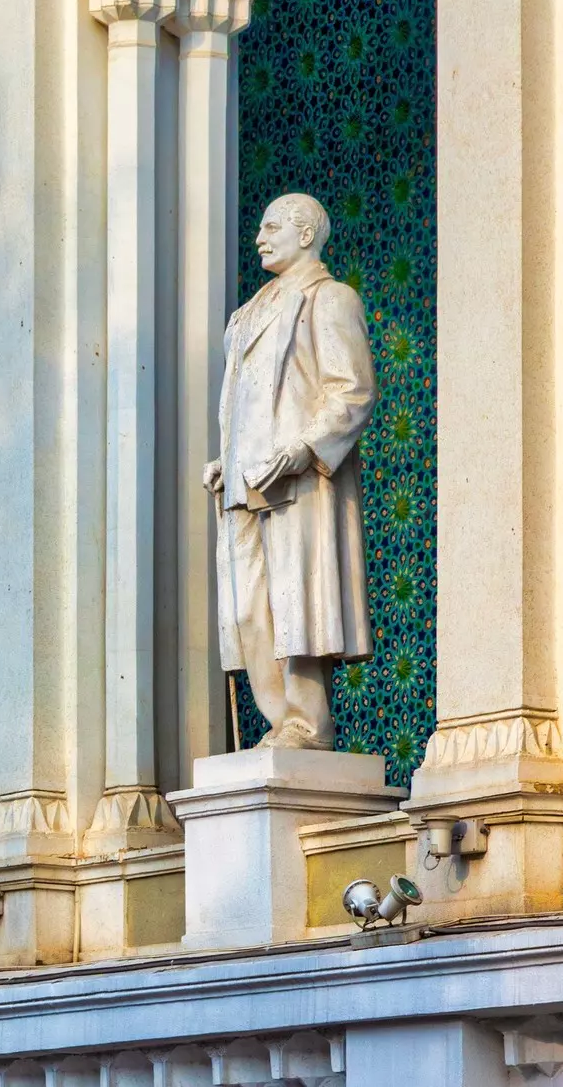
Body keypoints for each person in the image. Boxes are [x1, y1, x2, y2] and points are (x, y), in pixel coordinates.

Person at [203, 193, 376, 750]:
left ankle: (307, 721)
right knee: (250, 610)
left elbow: (351, 389)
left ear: (306, 234)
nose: (260, 237)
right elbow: (243, 402)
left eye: (271, 226)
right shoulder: (248, 313)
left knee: (296, 601)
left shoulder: (328, 299)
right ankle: (278, 721)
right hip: (244, 480)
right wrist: (224, 461)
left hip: (297, 479)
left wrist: (306, 447)